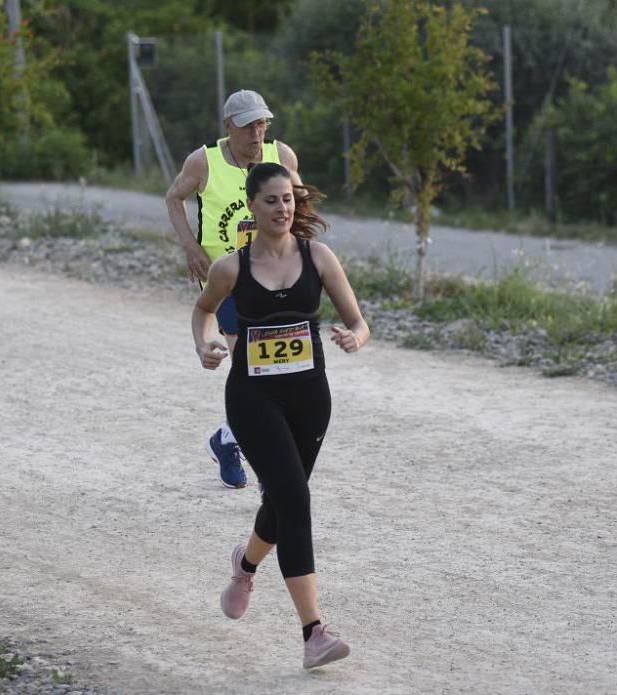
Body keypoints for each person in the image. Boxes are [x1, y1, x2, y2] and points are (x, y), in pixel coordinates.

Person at [190, 162, 370, 669]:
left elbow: (359, 321)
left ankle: (244, 566)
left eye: (288, 199)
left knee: (285, 500)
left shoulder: (319, 257)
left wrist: (355, 337)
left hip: (310, 397)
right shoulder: (231, 267)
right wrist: (204, 344)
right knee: (294, 498)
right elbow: (203, 311)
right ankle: (314, 632)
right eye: (271, 200)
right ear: (252, 206)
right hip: (252, 399)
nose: (283, 208)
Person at [166, 89, 300, 489]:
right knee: (255, 374)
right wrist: (191, 247)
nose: (256, 134)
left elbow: (300, 206)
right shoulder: (203, 161)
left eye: (262, 124)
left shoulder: (283, 156)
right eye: (247, 126)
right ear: (228, 127)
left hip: (278, 281)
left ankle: (228, 439)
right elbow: (174, 198)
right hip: (228, 284)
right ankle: (267, 465)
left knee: (281, 376)